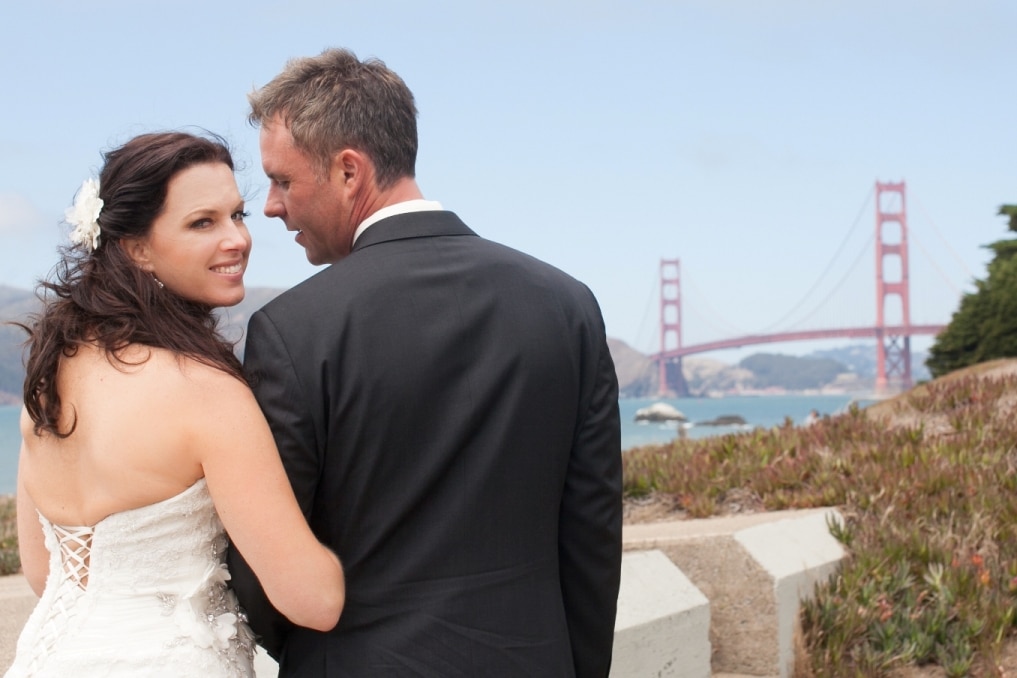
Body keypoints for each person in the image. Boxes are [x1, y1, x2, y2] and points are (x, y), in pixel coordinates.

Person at [227, 48, 623, 677]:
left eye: (282, 181)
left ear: (349, 172)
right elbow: (592, 534)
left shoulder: (294, 330)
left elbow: (261, 562)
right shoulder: (568, 305)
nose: (272, 207)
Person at [6, 131, 345, 678]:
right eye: (202, 222)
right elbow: (312, 600)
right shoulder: (206, 392)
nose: (237, 239)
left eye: (238, 215)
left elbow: (47, 575)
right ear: (136, 247)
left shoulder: (45, 384)